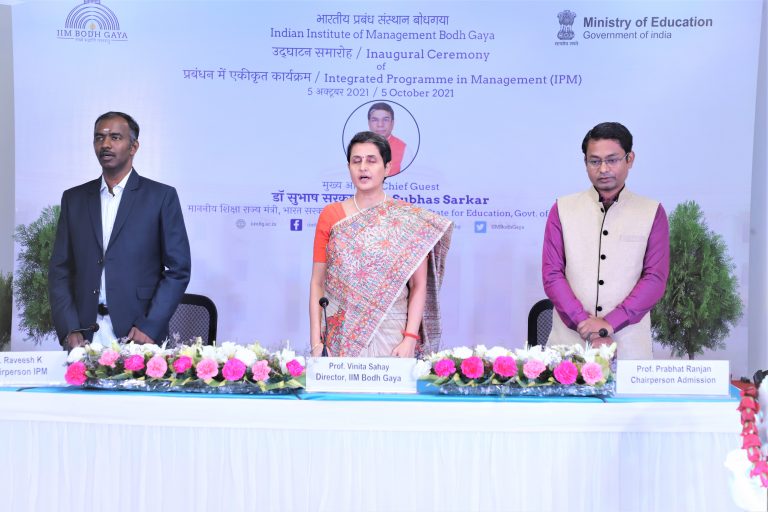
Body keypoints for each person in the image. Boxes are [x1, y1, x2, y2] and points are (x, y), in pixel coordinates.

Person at [48, 112, 191, 350]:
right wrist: (69, 327)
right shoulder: (74, 199)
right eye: (99, 138)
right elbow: (59, 270)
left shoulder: (161, 197)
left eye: (115, 137)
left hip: (138, 335)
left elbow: (178, 270)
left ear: (133, 147)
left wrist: (150, 326)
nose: (105, 144)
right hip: (84, 336)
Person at [309, 131, 452, 357]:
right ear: (349, 167)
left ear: (387, 168)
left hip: (393, 337)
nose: (363, 167)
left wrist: (410, 339)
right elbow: (317, 282)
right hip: (339, 336)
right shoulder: (331, 215)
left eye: (371, 160)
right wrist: (316, 342)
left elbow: (418, 285)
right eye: (356, 161)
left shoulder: (409, 220)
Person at [542, 122, 669, 359]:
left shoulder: (652, 212)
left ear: (629, 159)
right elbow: (552, 275)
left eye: (612, 160)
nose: (603, 169)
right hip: (568, 346)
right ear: (585, 162)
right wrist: (587, 325)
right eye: (594, 161)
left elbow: (655, 278)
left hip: (629, 348)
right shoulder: (562, 209)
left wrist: (609, 323)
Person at [366, 102, 411, 177]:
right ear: (369, 123)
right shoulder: (357, 147)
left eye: (385, 120)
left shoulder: (405, 150)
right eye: (375, 120)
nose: (380, 125)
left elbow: (408, 179)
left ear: (392, 123)